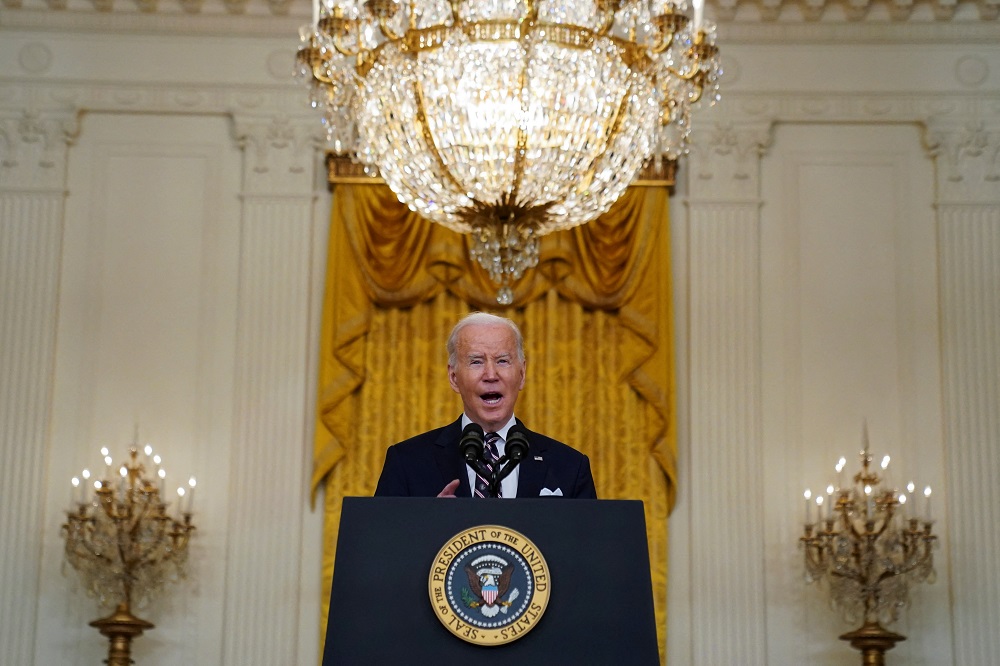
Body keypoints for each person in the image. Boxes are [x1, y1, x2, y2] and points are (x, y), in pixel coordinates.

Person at [374, 312, 597, 499]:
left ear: (521, 374)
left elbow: (588, 538)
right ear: (453, 377)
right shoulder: (407, 462)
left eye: (502, 361)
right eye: (476, 362)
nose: (491, 374)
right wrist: (430, 523)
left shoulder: (570, 466)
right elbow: (382, 537)